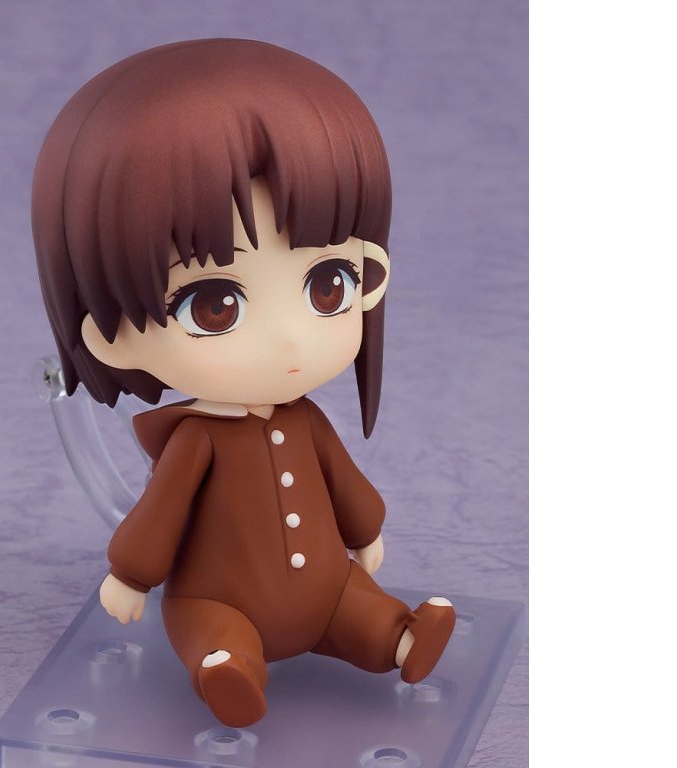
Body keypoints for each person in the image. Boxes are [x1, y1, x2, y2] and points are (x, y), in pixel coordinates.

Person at [31, 38, 455, 727]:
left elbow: (344, 482)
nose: (288, 340)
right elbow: (160, 513)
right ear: (112, 333)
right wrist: (132, 575)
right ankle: (229, 671)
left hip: (326, 587)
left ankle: (402, 639)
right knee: (216, 635)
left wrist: (365, 529)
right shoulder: (197, 441)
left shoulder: (306, 420)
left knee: (361, 612)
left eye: (328, 285)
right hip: (217, 599)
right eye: (215, 305)